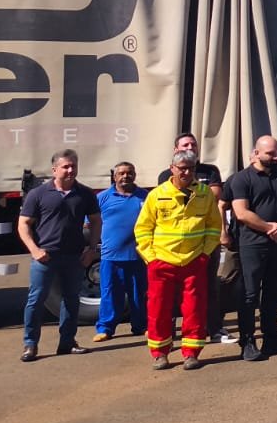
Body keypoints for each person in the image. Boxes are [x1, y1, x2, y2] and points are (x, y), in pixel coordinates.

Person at [134, 150, 221, 369]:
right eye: (181, 168)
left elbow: (213, 226)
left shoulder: (204, 193)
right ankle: (160, 353)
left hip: (193, 261)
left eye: (190, 168)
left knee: (194, 308)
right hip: (161, 261)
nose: (186, 172)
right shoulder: (157, 194)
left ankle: (191, 353)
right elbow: (143, 229)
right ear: (172, 168)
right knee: (158, 309)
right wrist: (151, 258)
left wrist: (204, 254)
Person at [16, 149, 101, 362]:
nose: (71, 170)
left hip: (73, 257)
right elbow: (23, 224)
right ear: (55, 170)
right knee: (36, 300)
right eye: (66, 166)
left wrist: (91, 249)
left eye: (74, 166)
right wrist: (35, 250)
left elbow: (96, 221)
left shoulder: (85, 194)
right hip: (45, 258)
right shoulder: (38, 194)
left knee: (71, 300)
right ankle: (30, 345)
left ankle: (67, 343)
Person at [225, 135, 277, 361]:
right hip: (252, 244)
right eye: (270, 154)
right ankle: (247, 342)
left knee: (273, 292)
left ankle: (272, 339)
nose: (276, 157)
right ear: (256, 153)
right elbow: (241, 212)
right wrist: (269, 227)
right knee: (249, 295)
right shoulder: (240, 179)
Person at [157, 133, 231, 345]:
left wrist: (193, 184)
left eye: (193, 144)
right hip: (173, 248)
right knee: (171, 292)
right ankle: (169, 333)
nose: (190, 147)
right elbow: (173, 194)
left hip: (205, 243)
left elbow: (214, 196)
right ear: (175, 150)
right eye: (185, 144)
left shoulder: (210, 171)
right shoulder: (165, 174)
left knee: (209, 286)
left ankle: (214, 328)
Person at [93, 162, 148, 342]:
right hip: (111, 256)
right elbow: (90, 222)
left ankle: (141, 326)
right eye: (121, 173)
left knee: (139, 294)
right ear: (115, 177)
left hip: (138, 255)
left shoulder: (145, 196)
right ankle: (105, 329)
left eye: (129, 173)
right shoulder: (103, 197)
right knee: (109, 293)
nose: (126, 176)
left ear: (135, 175)